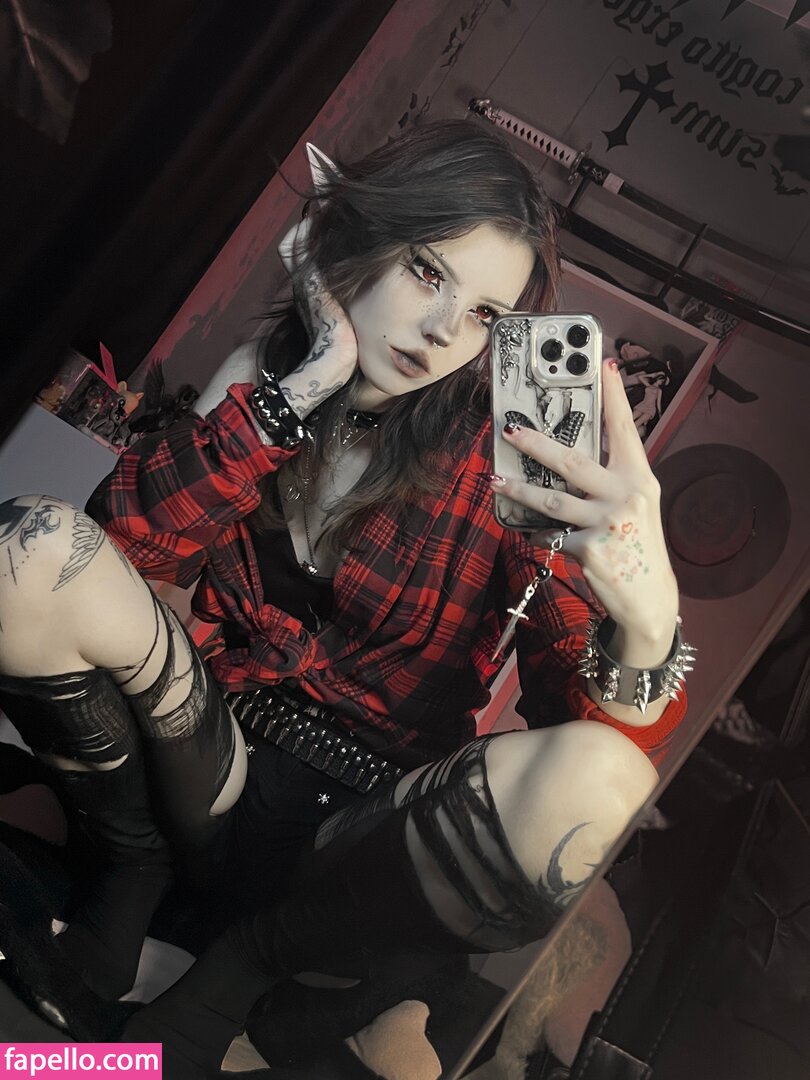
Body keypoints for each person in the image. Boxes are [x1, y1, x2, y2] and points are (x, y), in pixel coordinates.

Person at [0, 120, 690, 1077]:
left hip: (358, 835)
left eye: (486, 314)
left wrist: (647, 629)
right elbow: (118, 545)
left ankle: (240, 969)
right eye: (426, 271)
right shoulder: (268, 376)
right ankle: (131, 867)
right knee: (27, 547)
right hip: (211, 766)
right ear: (357, 238)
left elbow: (570, 723)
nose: (444, 330)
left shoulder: (510, 455)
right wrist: (307, 384)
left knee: (606, 782)